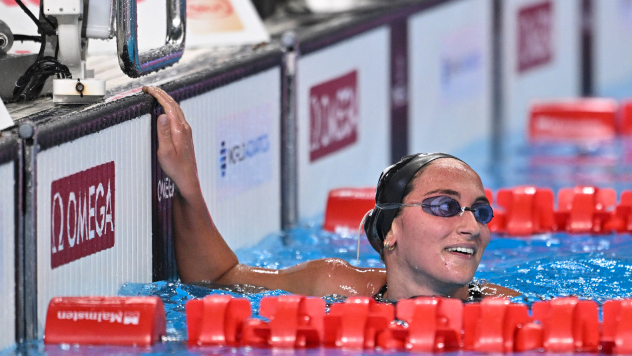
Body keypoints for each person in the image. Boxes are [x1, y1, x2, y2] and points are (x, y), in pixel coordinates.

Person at [145, 85, 519, 302]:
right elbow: (218, 279)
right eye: (445, 206)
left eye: (481, 211)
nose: (471, 225)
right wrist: (187, 184)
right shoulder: (332, 284)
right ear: (391, 231)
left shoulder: (507, 308)